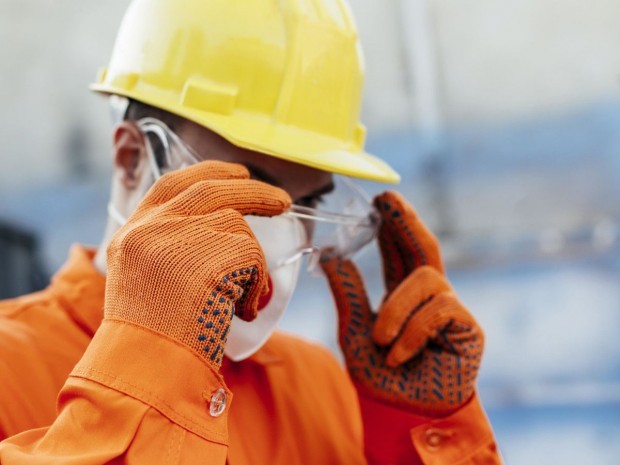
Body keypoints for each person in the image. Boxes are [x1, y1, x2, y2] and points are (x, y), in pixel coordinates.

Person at [0, 0, 501, 463]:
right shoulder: (10, 369)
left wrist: (416, 435)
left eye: (307, 204)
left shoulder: (322, 386)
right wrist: (145, 375)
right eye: (246, 189)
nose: (280, 234)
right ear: (132, 159)